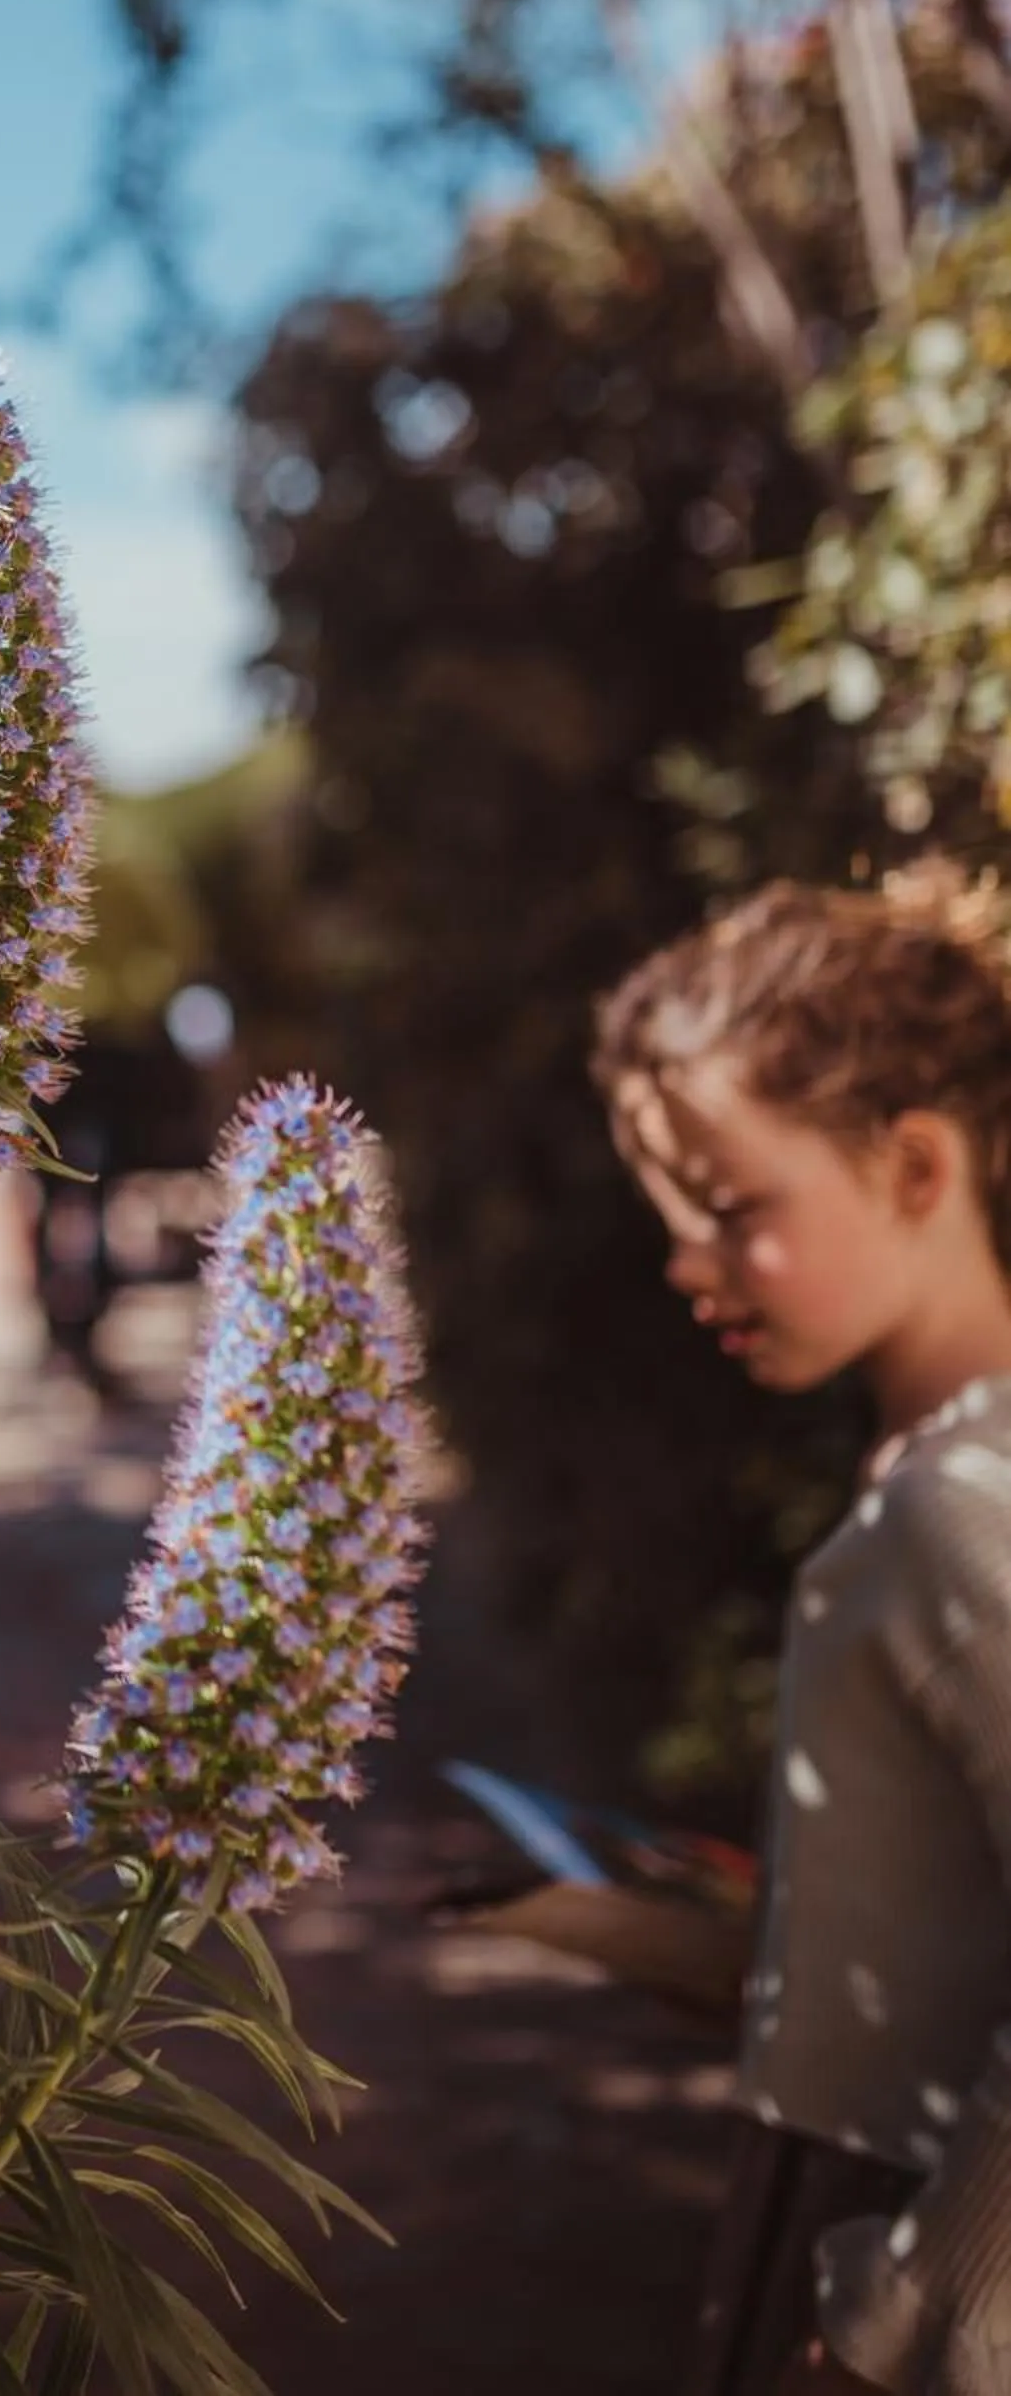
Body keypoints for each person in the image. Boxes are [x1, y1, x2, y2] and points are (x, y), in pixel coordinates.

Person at [592, 866, 1011, 2396]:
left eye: (726, 1207)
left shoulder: (966, 1506)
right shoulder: (927, 1475)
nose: (682, 1262)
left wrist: (894, 2325)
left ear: (912, 1167)